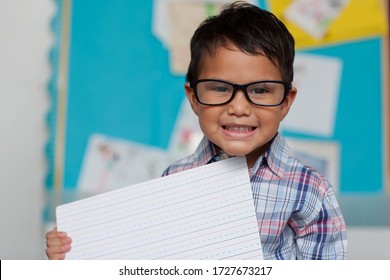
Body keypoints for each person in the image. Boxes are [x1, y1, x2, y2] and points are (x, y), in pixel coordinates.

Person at [46, 1, 347, 260]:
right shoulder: (174, 180)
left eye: (260, 90)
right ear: (193, 98)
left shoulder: (309, 191)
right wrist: (76, 251)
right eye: (219, 88)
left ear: (286, 101)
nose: (239, 108)